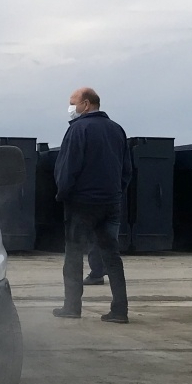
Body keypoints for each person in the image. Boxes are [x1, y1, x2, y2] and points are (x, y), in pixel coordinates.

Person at [54, 87, 131, 323]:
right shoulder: (117, 130)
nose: (70, 108)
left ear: (86, 104)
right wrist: (116, 193)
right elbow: (126, 169)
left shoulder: (78, 130)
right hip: (110, 203)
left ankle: (72, 307)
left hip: (81, 204)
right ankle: (119, 310)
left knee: (74, 255)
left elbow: (68, 168)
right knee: (112, 257)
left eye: (72, 103)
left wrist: (62, 194)